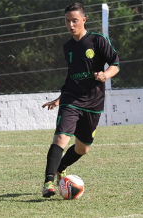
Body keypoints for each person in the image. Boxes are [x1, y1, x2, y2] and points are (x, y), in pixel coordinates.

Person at [41, 2, 120, 197]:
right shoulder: (67, 46)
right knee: (60, 138)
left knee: (82, 148)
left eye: (74, 20)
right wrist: (61, 98)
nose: (71, 24)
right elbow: (72, 76)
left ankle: (61, 168)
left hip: (93, 102)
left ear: (84, 20)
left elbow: (116, 64)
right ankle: (48, 183)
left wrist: (105, 75)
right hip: (71, 99)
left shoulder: (98, 40)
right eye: (67, 21)